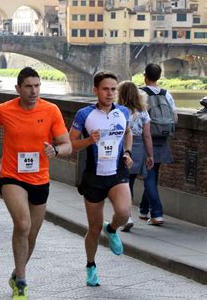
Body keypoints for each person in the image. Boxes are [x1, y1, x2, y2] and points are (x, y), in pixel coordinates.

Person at [0, 67, 72, 300]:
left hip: (40, 178)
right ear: (18, 89)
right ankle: (21, 281)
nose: (34, 91)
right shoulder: (4, 110)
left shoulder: (51, 110)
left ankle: (15, 272)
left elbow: (67, 144)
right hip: (12, 176)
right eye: (29, 86)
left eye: (37, 86)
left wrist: (57, 150)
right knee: (22, 224)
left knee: (31, 234)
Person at [69, 71, 133, 288]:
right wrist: (89, 140)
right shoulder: (84, 114)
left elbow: (128, 132)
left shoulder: (123, 111)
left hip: (117, 174)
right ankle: (91, 266)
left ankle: (113, 229)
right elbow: (70, 144)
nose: (110, 93)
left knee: (124, 213)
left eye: (114, 89)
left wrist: (128, 152)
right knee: (94, 228)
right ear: (95, 90)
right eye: (105, 89)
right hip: (94, 178)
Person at [139, 63, 177, 226]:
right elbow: (174, 118)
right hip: (162, 139)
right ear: (159, 77)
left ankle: (157, 213)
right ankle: (143, 209)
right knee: (153, 175)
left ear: (145, 76)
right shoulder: (166, 94)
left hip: (146, 139)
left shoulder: (141, 93)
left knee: (149, 176)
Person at [117, 81, 154, 232]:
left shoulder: (118, 110)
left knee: (122, 183)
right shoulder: (143, 112)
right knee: (130, 182)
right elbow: (147, 136)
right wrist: (150, 155)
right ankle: (128, 215)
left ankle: (126, 216)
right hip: (138, 149)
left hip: (121, 147)